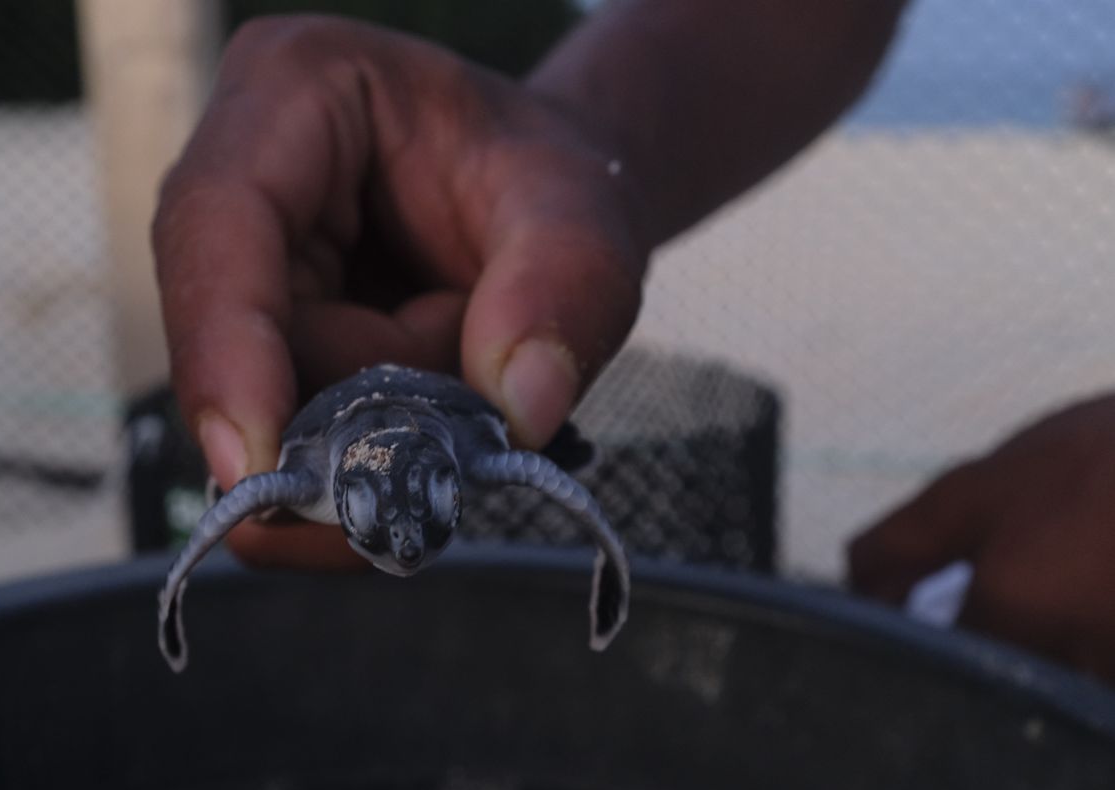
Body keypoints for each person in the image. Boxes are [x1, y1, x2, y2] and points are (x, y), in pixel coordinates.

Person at [151, 1, 1115, 681]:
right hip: (409, 415)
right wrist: (566, 137)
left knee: (541, 446)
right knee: (526, 445)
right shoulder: (325, 460)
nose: (410, 545)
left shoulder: (430, 450)